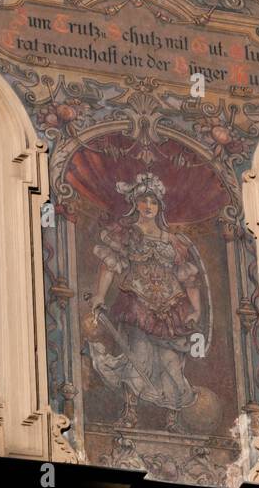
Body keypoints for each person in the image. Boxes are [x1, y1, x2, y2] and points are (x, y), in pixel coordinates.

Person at [84, 173, 205, 432]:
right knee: (137, 356)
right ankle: (130, 413)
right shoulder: (126, 235)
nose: (149, 206)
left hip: (172, 307)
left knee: (171, 362)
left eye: (153, 201)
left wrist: (195, 309)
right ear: (135, 204)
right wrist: (99, 296)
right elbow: (110, 266)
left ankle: (172, 419)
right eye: (144, 200)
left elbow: (189, 280)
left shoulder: (174, 241)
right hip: (137, 302)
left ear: (160, 206)